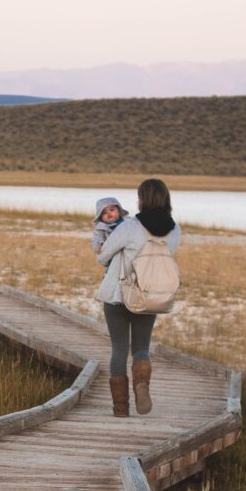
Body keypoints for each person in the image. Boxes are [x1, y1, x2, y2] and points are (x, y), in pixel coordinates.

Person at [95, 179, 181, 417]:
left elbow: (103, 258)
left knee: (118, 351)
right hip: (150, 296)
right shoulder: (175, 229)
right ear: (165, 198)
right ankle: (142, 385)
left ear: (142, 199)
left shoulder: (130, 226)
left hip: (118, 296)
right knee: (141, 348)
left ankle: (121, 408)